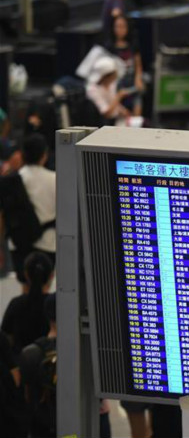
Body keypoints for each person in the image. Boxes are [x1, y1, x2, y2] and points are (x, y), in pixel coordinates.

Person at [0, 135, 56, 286]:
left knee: (26, 287)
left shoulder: (12, 180)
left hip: (19, 244)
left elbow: (3, 216)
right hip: (48, 243)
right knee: (44, 287)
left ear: (22, 154)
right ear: (44, 154)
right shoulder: (55, 179)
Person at [18, 293, 56, 438]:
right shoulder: (82, 352)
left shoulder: (31, 353)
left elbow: (26, 397)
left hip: (42, 428)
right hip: (76, 427)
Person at [1, 252, 53, 357]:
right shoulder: (54, 304)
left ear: (26, 275)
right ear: (51, 275)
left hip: (20, 365)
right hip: (50, 365)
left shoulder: (16, 304)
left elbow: (6, 340)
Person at [106, 15, 145, 116]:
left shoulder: (133, 45)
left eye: (123, 26)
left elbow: (138, 65)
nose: (120, 30)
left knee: (139, 92)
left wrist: (138, 79)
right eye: (117, 26)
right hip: (117, 84)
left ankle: (137, 121)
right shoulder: (109, 47)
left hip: (132, 82)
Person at [86, 57, 133, 123]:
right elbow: (106, 114)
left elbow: (113, 102)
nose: (116, 75)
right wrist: (118, 96)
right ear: (107, 76)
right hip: (103, 124)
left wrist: (124, 111)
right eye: (114, 74)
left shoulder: (111, 84)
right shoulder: (93, 90)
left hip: (115, 120)